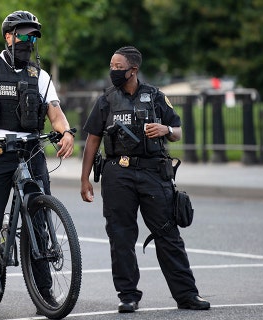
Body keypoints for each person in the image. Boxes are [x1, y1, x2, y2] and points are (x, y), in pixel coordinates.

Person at [0, 10, 75, 320]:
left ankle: (45, 294)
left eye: (33, 36)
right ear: (8, 37)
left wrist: (65, 132)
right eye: (23, 34)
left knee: (39, 221)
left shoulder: (41, 76)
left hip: (32, 151)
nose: (29, 40)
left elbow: (55, 113)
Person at [79, 46, 211, 313]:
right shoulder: (106, 100)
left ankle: (186, 295)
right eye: (111, 66)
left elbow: (177, 132)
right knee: (121, 237)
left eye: (118, 67)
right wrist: (85, 179)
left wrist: (165, 129)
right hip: (117, 174)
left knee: (168, 234)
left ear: (133, 70)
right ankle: (128, 295)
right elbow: (92, 140)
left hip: (153, 172)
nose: (113, 71)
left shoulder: (155, 97)